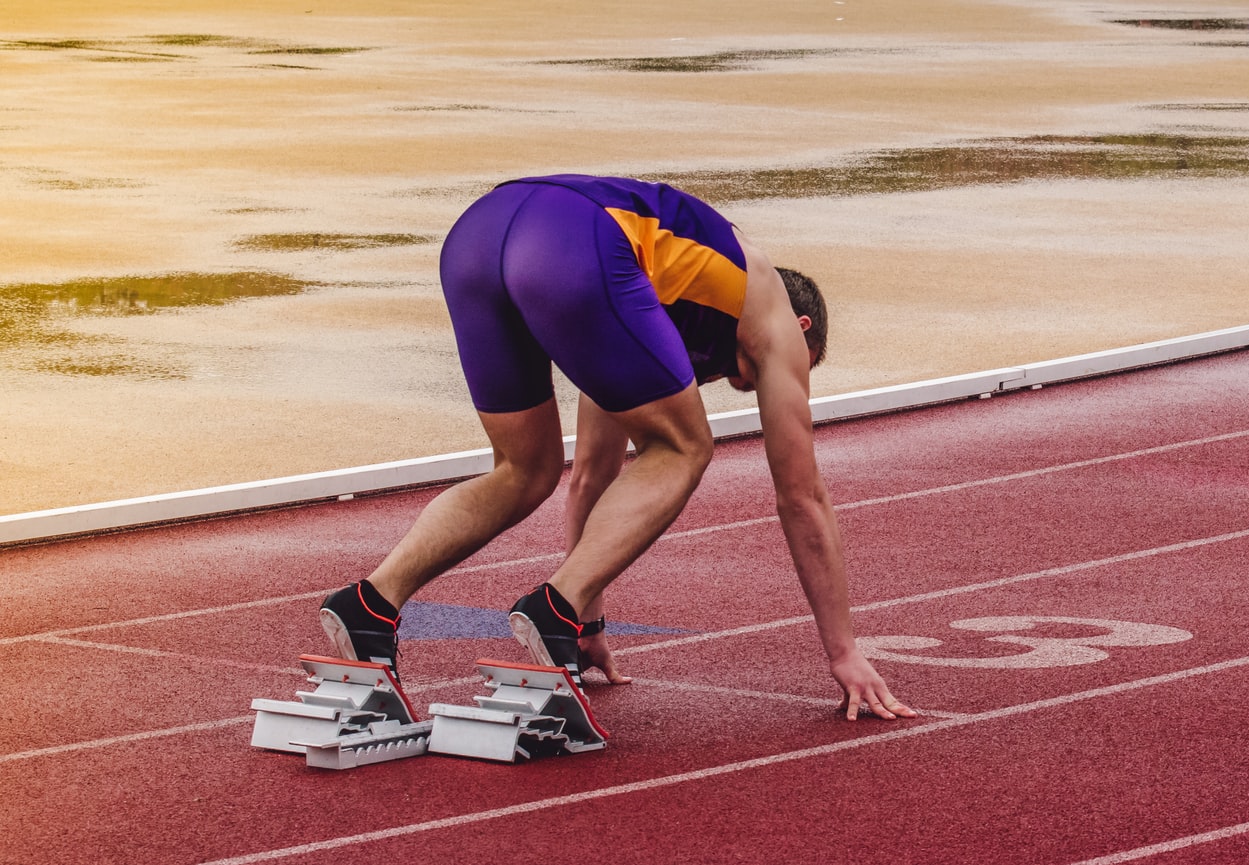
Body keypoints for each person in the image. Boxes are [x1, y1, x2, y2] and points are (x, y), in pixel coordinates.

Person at [317, 174, 915, 722]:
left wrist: (589, 619)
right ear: (803, 332)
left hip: (480, 235)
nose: (776, 386)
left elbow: (594, 474)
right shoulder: (775, 314)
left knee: (525, 469)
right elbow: (801, 496)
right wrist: (844, 651)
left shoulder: (646, 305)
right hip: (570, 240)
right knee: (686, 446)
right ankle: (553, 611)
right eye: (801, 372)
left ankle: (370, 604)